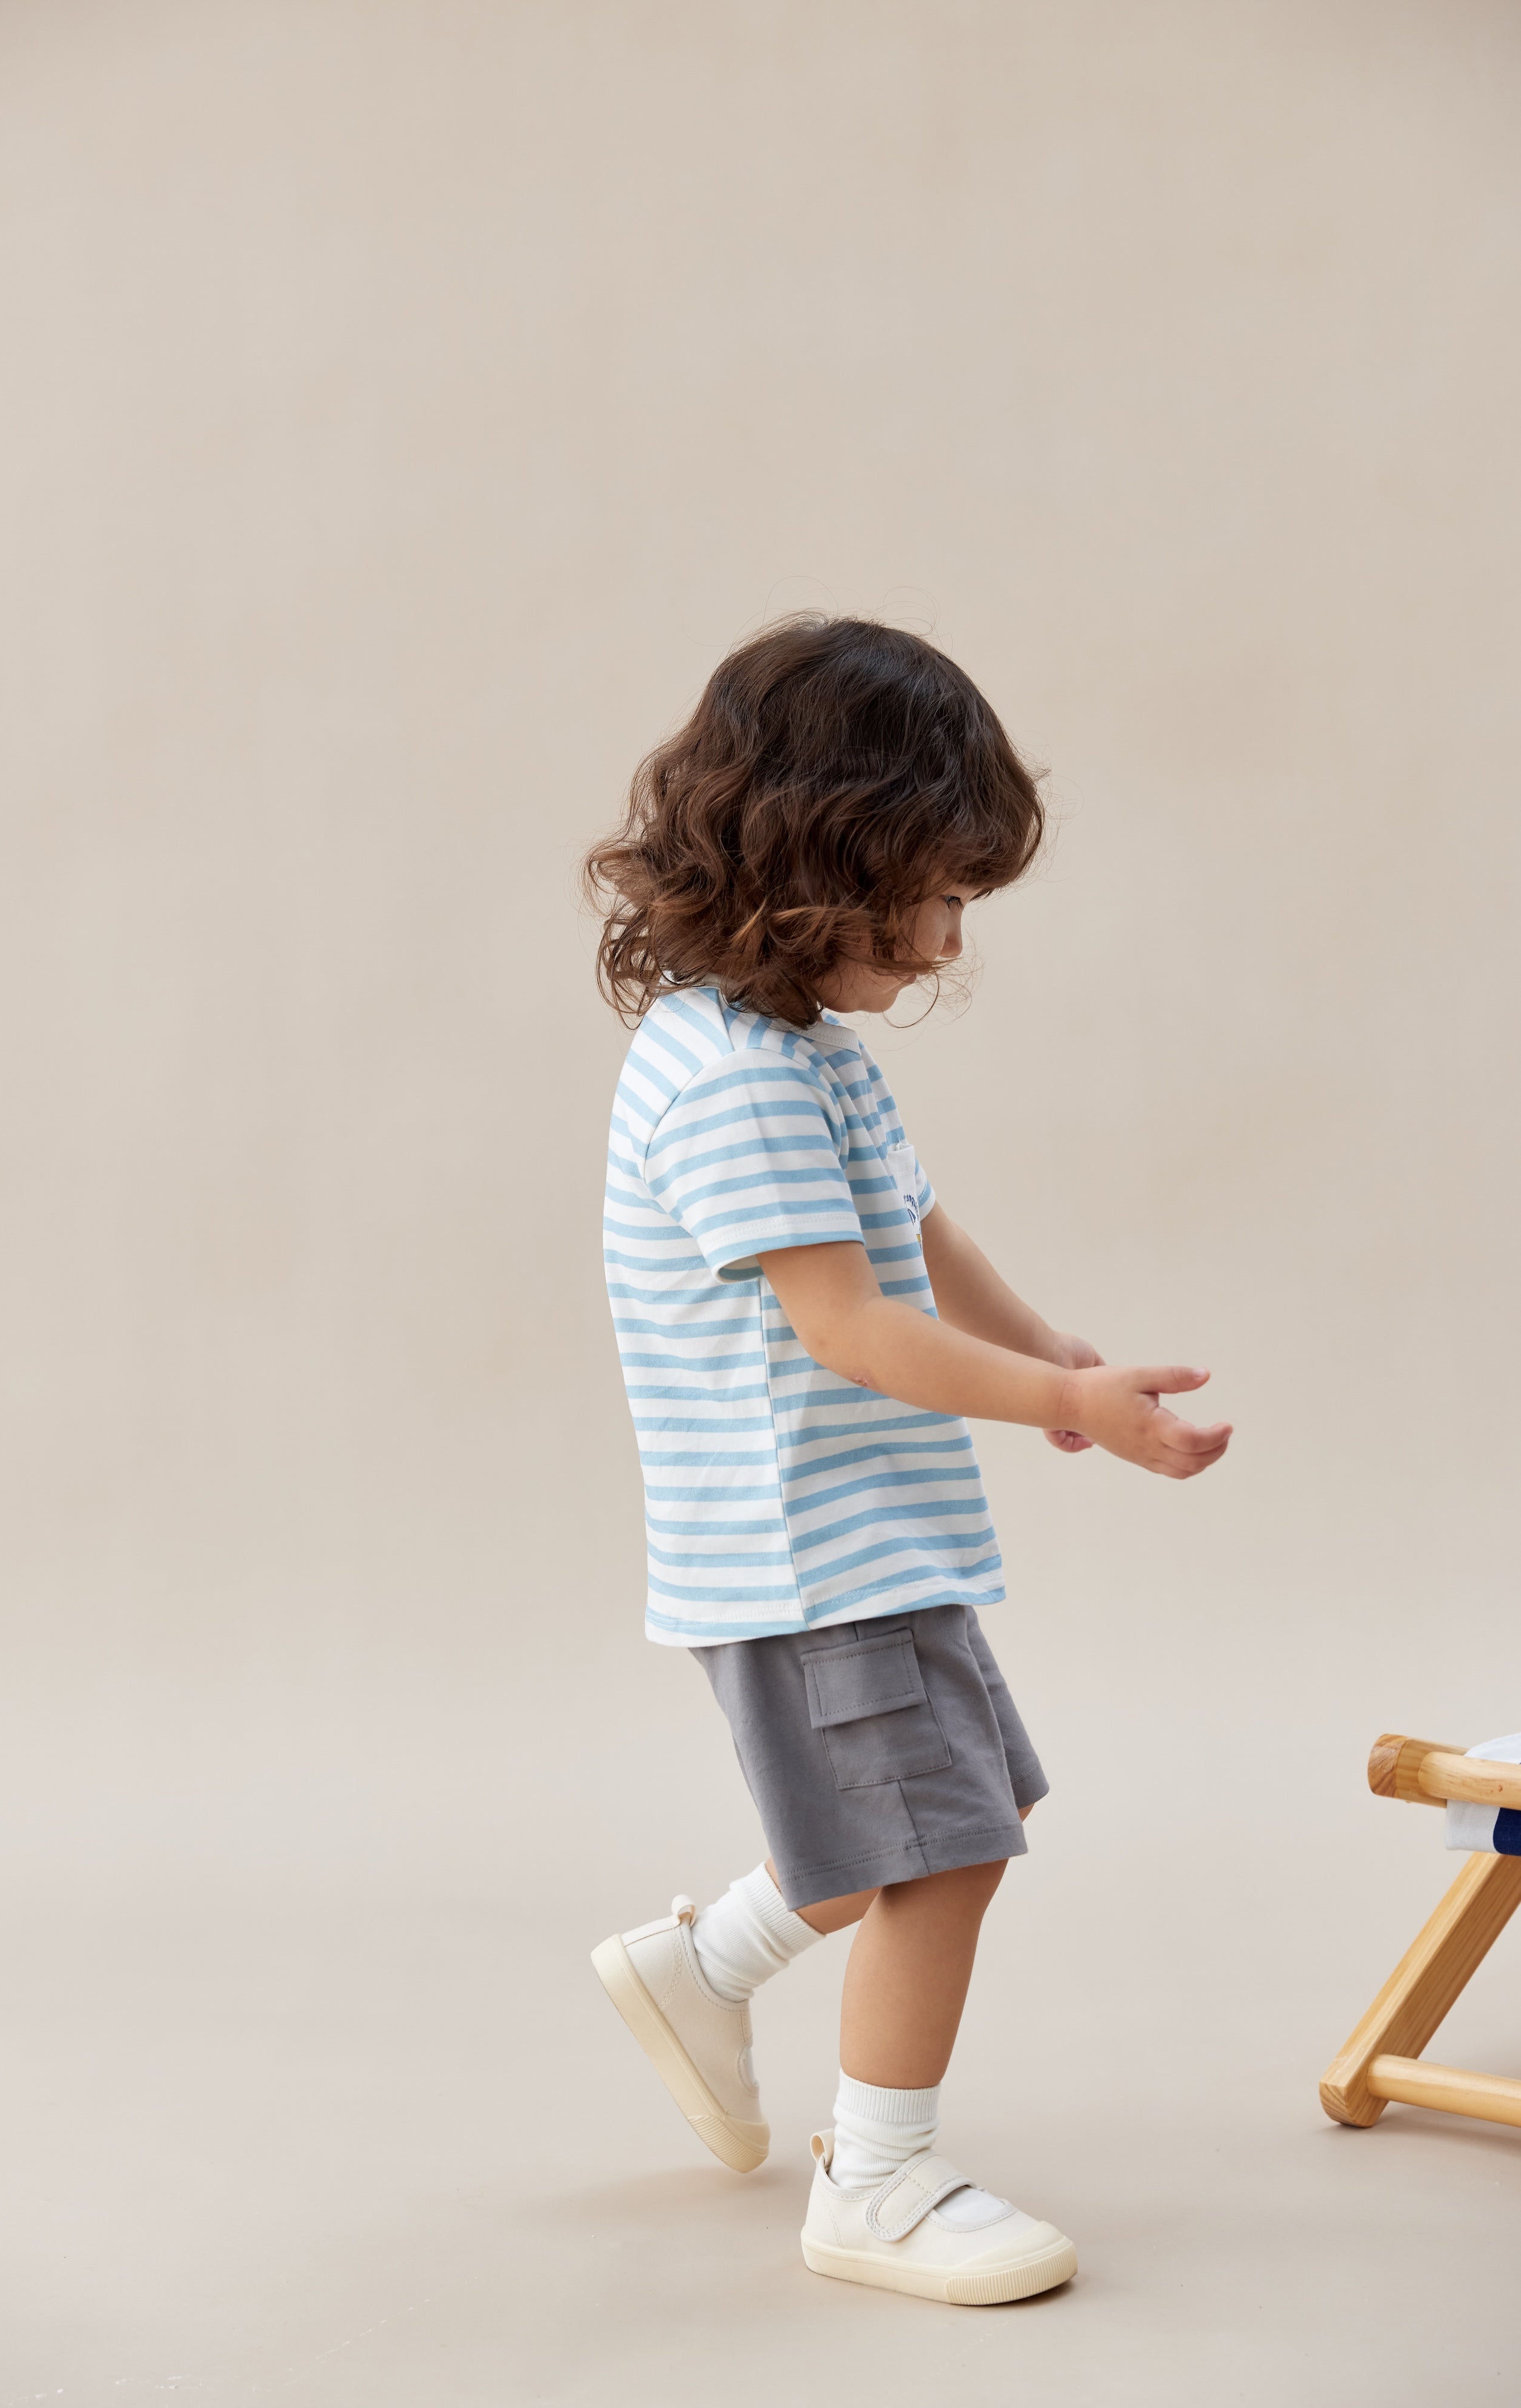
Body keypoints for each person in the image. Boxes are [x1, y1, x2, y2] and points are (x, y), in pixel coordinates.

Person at [582, 617, 1231, 2306]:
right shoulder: (733, 1083)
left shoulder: (808, 1055)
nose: (948, 942)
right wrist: (1060, 1402)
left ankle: (702, 1970)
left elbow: (914, 1231)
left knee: (954, 1809)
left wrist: (1050, 1352)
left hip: (865, 1533)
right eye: (931, 896)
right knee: (947, 1848)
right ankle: (873, 2182)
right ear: (814, 863)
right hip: (807, 1550)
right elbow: (852, 1329)